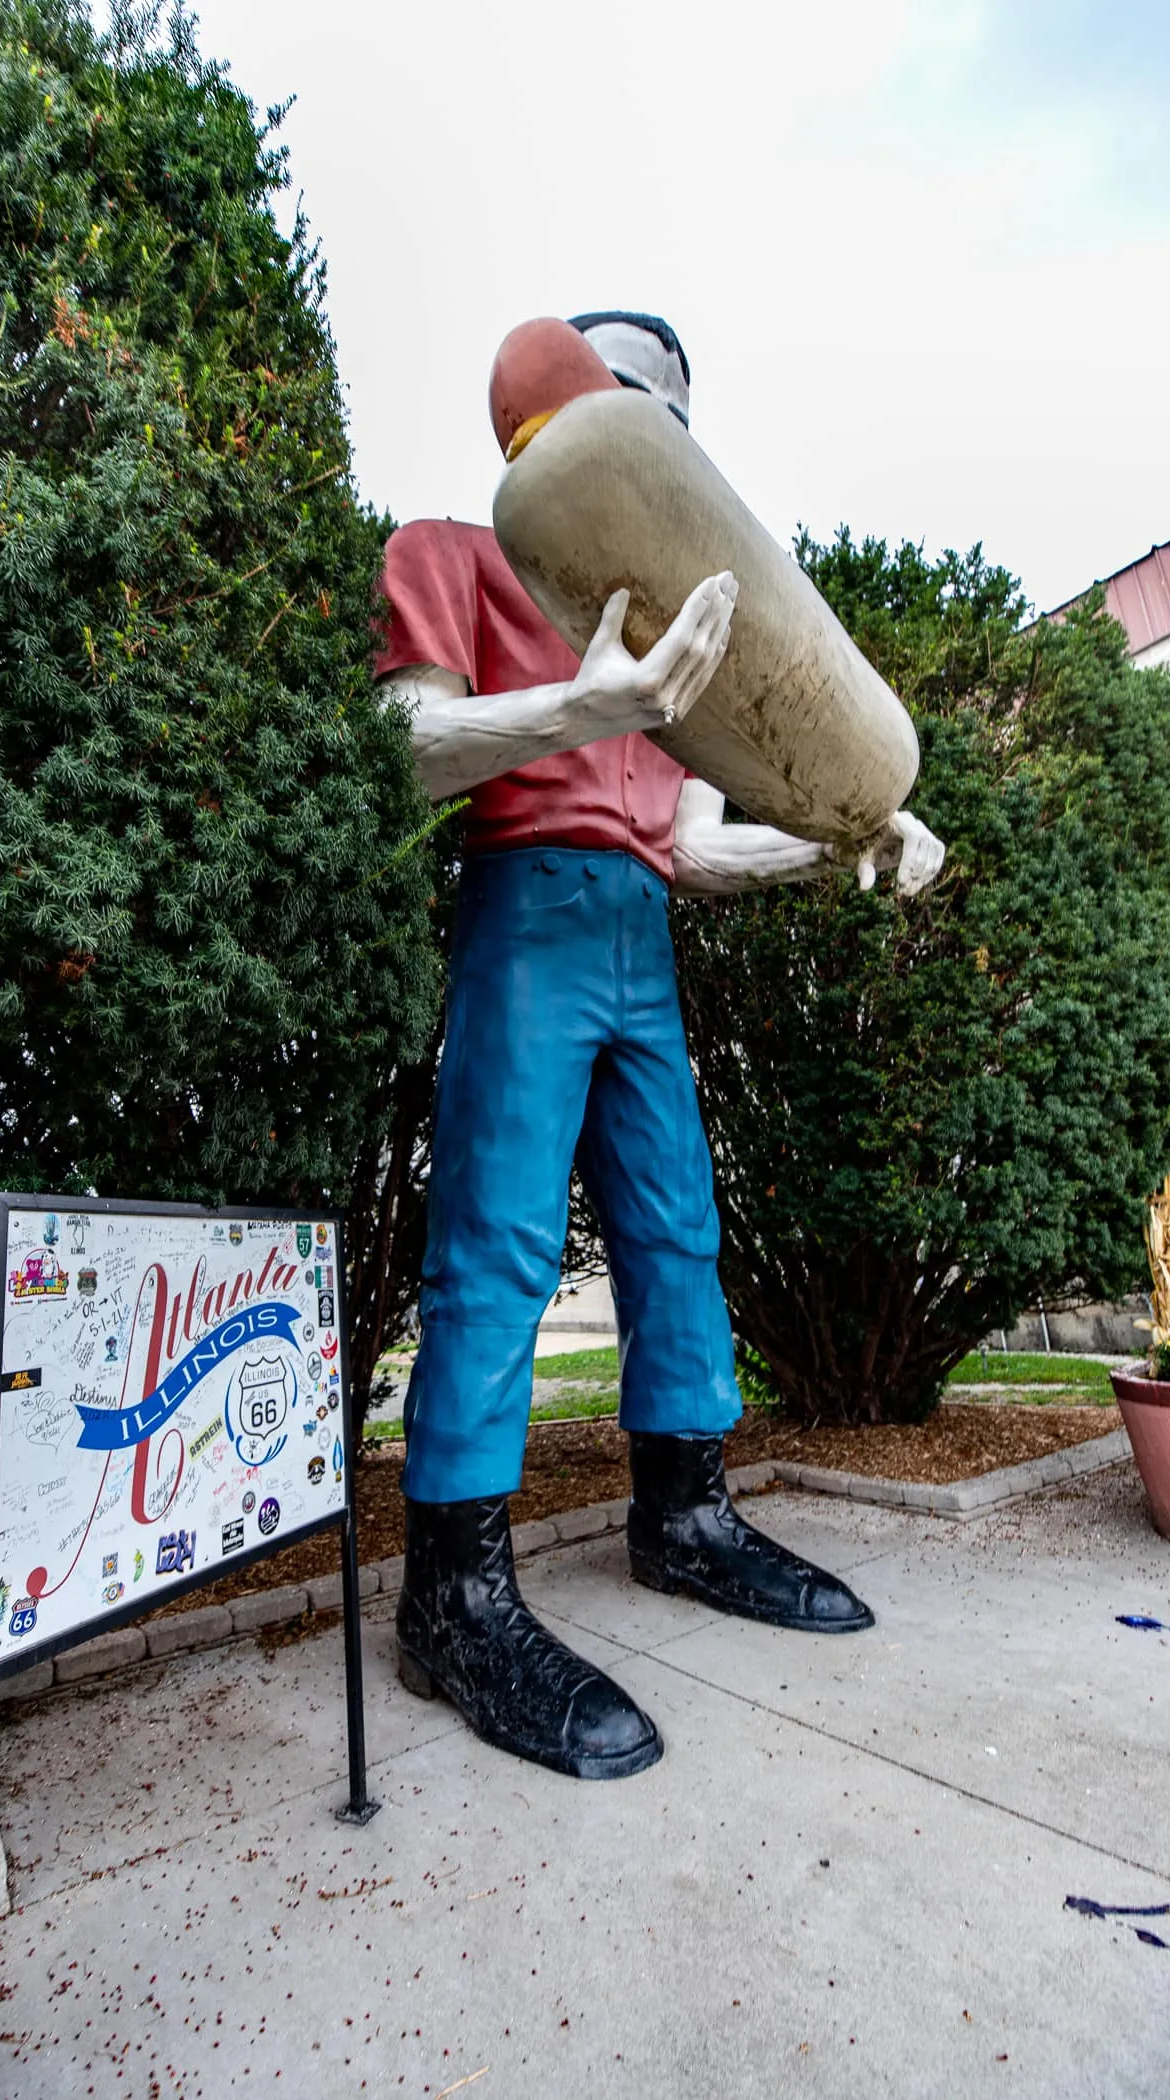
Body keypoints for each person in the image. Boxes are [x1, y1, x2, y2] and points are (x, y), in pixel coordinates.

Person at [376, 311, 945, 1781]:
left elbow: (692, 847)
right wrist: (582, 699)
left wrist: (846, 835)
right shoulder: (451, 549)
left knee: (676, 1233)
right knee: (497, 1240)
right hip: (530, 914)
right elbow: (403, 749)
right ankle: (449, 1592)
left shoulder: (673, 643)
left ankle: (683, 1513)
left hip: (637, 934)